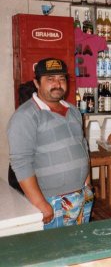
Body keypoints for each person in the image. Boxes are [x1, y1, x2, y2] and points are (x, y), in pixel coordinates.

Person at [7, 58, 93, 229]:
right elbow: (21, 163)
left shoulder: (74, 111)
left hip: (81, 196)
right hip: (51, 202)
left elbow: (83, 146)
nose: (57, 84)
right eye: (50, 79)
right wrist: (41, 204)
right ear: (36, 83)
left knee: (79, 247)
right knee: (56, 251)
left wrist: (87, 185)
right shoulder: (25, 116)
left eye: (61, 79)